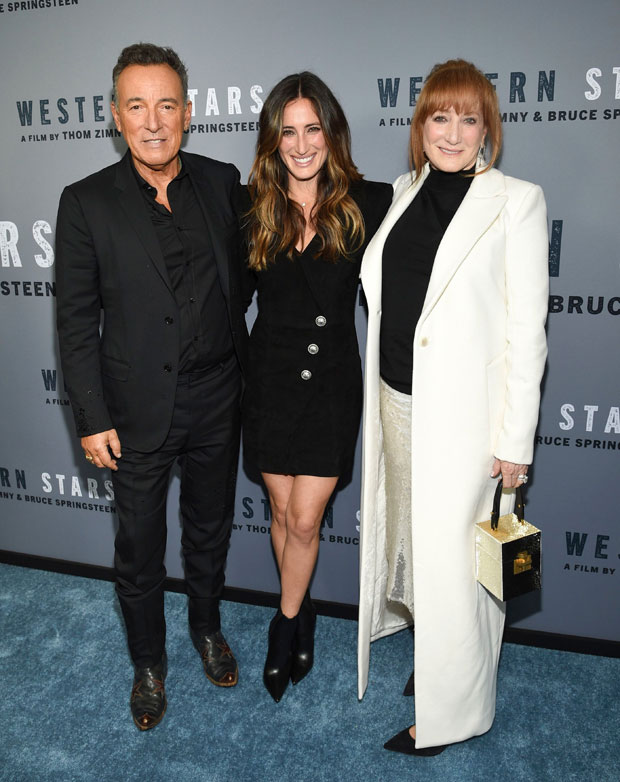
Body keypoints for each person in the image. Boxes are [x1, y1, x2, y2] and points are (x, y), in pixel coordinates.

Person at [357, 59, 549, 755]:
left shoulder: (516, 201)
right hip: (396, 405)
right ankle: (437, 664)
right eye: (440, 116)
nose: (453, 132)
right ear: (420, 126)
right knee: (416, 549)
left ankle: (459, 712)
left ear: (488, 130)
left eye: (470, 118)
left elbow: (527, 330)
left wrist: (514, 441)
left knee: (461, 566)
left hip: (467, 423)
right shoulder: (405, 192)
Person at [55, 43, 248, 731]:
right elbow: (76, 322)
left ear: (188, 112)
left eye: (167, 104)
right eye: (137, 106)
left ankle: (205, 628)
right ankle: (147, 663)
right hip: (133, 411)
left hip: (219, 396)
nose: (154, 120)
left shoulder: (225, 183)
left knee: (209, 531)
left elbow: (265, 266)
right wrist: (90, 414)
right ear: (116, 117)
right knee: (138, 546)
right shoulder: (85, 204)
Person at [243, 72, 392, 702]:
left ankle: (284, 626)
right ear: (273, 140)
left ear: (331, 134)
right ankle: (300, 609)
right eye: (288, 132)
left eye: (313, 129)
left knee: (304, 521)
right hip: (268, 381)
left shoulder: (371, 201)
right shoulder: (251, 208)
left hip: (330, 384)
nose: (301, 145)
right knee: (280, 513)